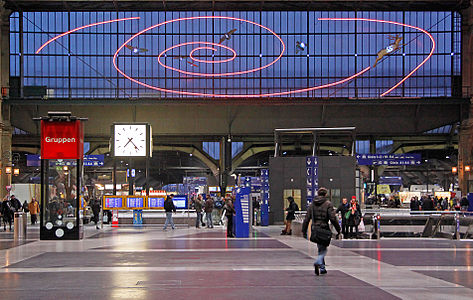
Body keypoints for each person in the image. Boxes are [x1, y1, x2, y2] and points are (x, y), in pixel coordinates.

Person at [302, 187, 341, 276]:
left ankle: (322, 267)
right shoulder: (328, 204)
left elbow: (307, 218)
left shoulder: (312, 205)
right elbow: (333, 218)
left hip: (315, 228)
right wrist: (338, 229)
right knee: (323, 249)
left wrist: (304, 230)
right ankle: (319, 261)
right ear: (325, 194)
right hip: (324, 228)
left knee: (320, 247)